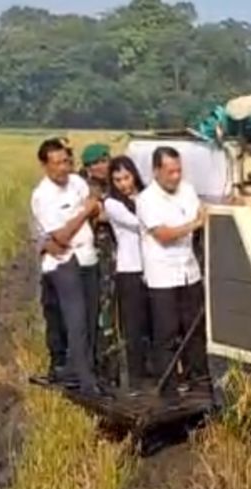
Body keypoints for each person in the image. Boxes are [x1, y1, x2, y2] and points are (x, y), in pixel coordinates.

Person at [31, 138, 101, 394]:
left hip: (87, 257)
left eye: (67, 161)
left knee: (92, 318)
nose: (64, 168)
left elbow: (94, 206)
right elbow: (60, 236)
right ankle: (85, 382)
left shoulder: (77, 183)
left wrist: (91, 209)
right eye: (58, 163)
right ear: (44, 165)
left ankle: (86, 370)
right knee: (76, 321)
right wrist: (84, 212)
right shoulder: (43, 196)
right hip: (63, 262)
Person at [136, 146, 209, 394]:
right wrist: (194, 224)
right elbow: (164, 235)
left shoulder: (187, 190)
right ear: (156, 171)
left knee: (194, 330)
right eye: (170, 172)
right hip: (163, 276)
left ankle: (198, 380)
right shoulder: (147, 199)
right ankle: (168, 386)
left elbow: (202, 211)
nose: (176, 177)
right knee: (166, 334)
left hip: (189, 271)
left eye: (178, 171)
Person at [103, 156, 152, 392]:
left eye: (127, 177)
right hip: (129, 269)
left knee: (152, 325)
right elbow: (141, 224)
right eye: (118, 180)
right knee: (133, 327)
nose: (124, 184)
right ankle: (136, 378)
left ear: (134, 175)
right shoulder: (112, 204)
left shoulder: (145, 197)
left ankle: (153, 372)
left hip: (152, 269)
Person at [80, 143, 121, 385]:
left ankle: (112, 368)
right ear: (87, 167)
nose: (102, 166)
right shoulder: (85, 190)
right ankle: (101, 369)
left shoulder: (114, 185)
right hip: (96, 257)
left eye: (105, 160)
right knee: (101, 312)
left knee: (116, 312)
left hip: (117, 257)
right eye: (96, 162)